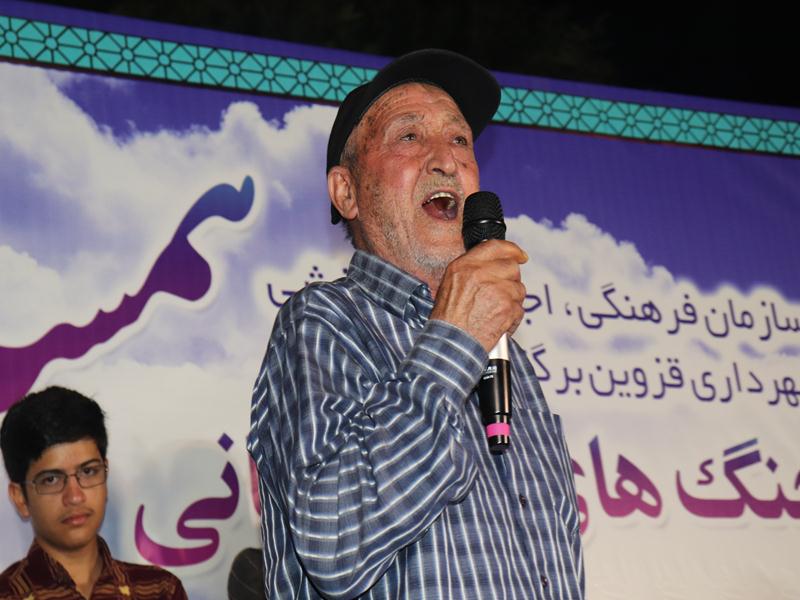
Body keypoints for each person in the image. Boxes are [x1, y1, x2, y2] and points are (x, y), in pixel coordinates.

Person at [248, 48, 584, 599]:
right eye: (409, 136)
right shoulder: (322, 321)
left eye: (460, 140)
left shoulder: (509, 358)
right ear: (347, 191)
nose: (446, 160)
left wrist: (470, 335)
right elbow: (334, 542)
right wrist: (457, 340)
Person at [0, 386, 187, 599]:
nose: (75, 497)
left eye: (88, 471)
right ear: (20, 498)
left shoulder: (159, 590)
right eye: (51, 480)